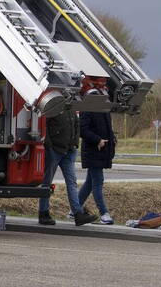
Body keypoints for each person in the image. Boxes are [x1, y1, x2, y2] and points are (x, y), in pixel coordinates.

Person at [39, 102, 98, 226]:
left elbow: (77, 125)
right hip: (55, 150)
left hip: (69, 150)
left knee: (71, 182)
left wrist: (75, 143)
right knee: (47, 182)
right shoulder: (53, 107)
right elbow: (45, 126)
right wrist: (49, 145)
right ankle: (43, 213)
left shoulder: (71, 108)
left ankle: (77, 214)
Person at [78, 82, 116, 225]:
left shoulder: (101, 104)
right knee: (98, 182)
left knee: (90, 183)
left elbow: (106, 127)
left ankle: (74, 209)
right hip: (94, 150)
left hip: (101, 150)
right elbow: (83, 129)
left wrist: (112, 139)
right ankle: (104, 213)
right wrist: (98, 140)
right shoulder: (90, 103)